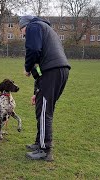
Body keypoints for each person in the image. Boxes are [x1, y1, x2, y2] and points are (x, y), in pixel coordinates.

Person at [19, 15, 71, 161]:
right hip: (57, 71)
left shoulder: (34, 26)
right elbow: (39, 70)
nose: (23, 35)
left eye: (21, 31)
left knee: (44, 111)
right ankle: (39, 142)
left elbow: (33, 50)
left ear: (25, 26)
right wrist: (36, 92)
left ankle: (45, 150)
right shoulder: (46, 29)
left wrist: (27, 67)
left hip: (53, 72)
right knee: (42, 108)